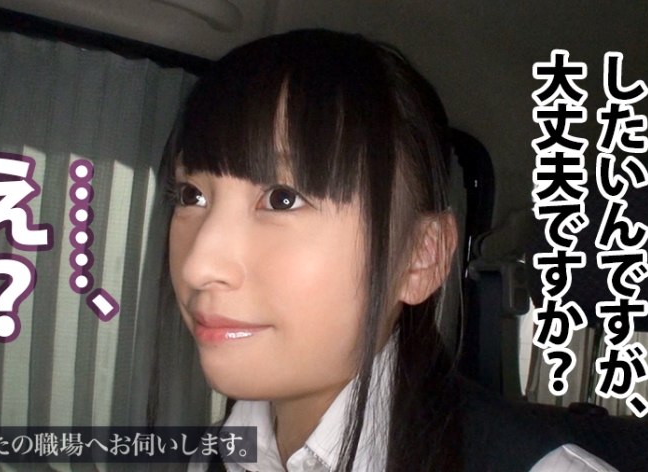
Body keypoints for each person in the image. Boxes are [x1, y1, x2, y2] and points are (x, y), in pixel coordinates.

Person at [161, 29, 616, 472]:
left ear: (420, 257)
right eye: (190, 196)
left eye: (282, 199)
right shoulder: (217, 453)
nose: (198, 265)